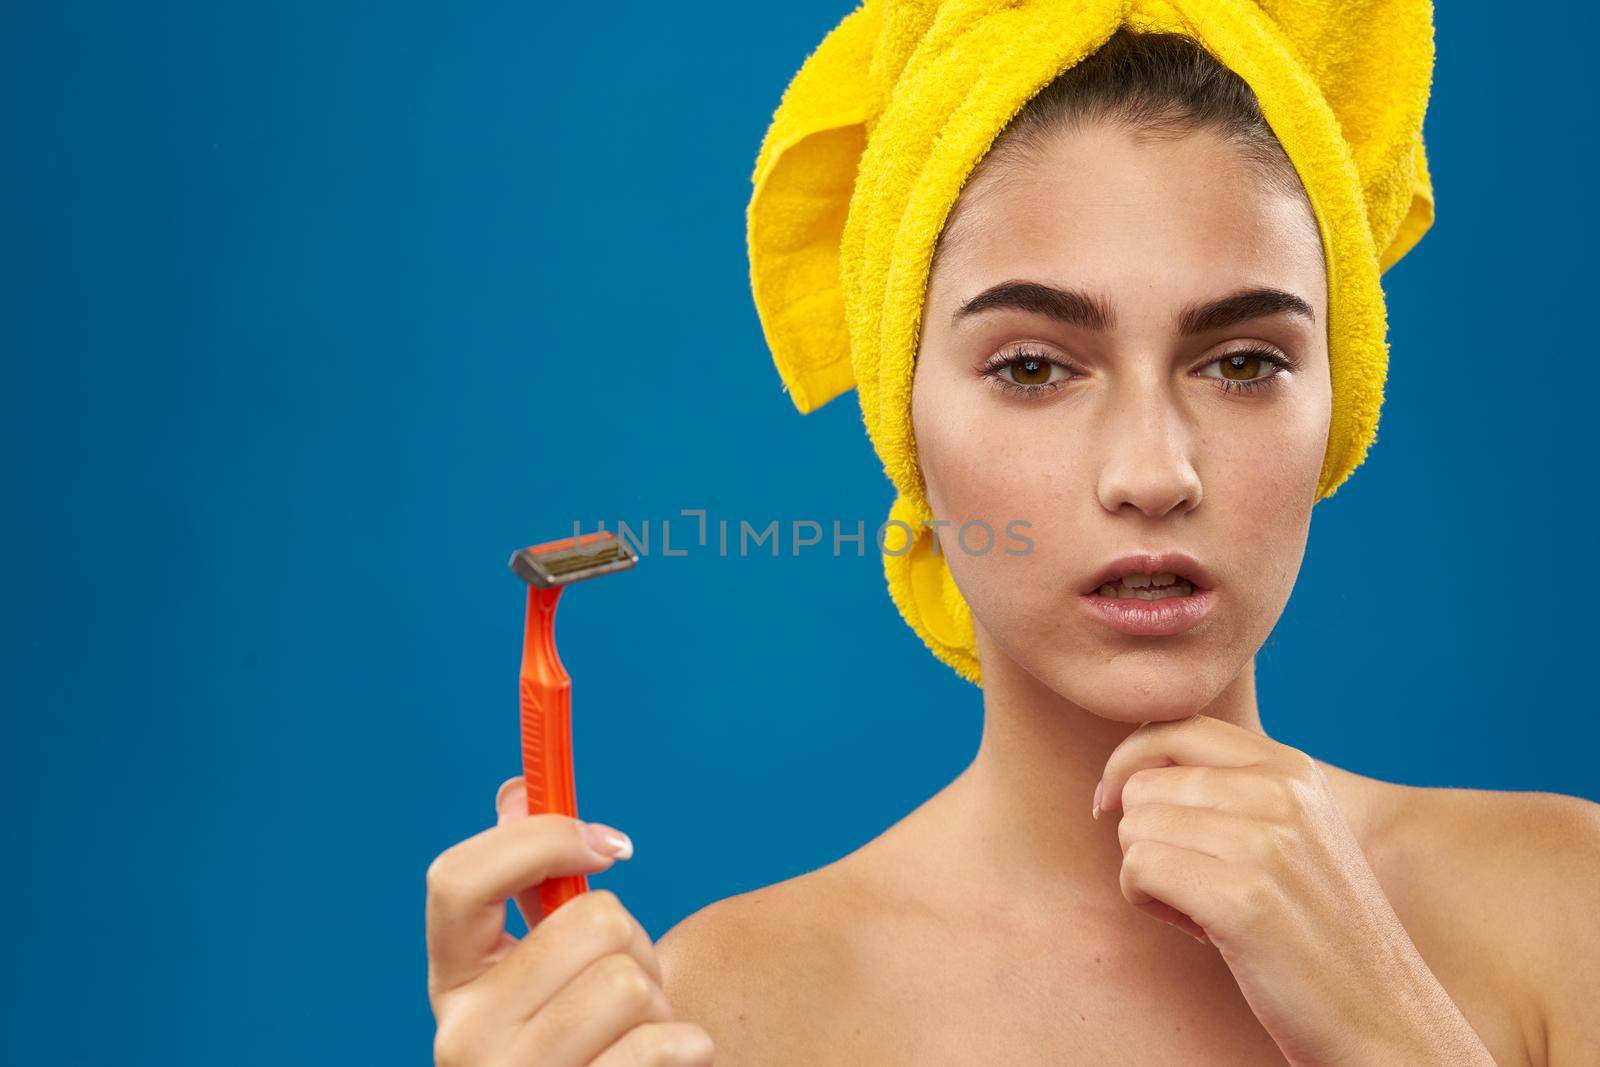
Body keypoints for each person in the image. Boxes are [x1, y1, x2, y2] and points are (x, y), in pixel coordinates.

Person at [424, 24, 1600, 1067]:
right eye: (1033, 367)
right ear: (907, 423)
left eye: (1242, 361)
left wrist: (1386, 1022)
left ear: (1339, 402)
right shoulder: (724, 1008)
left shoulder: (1565, 901)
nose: (1152, 471)